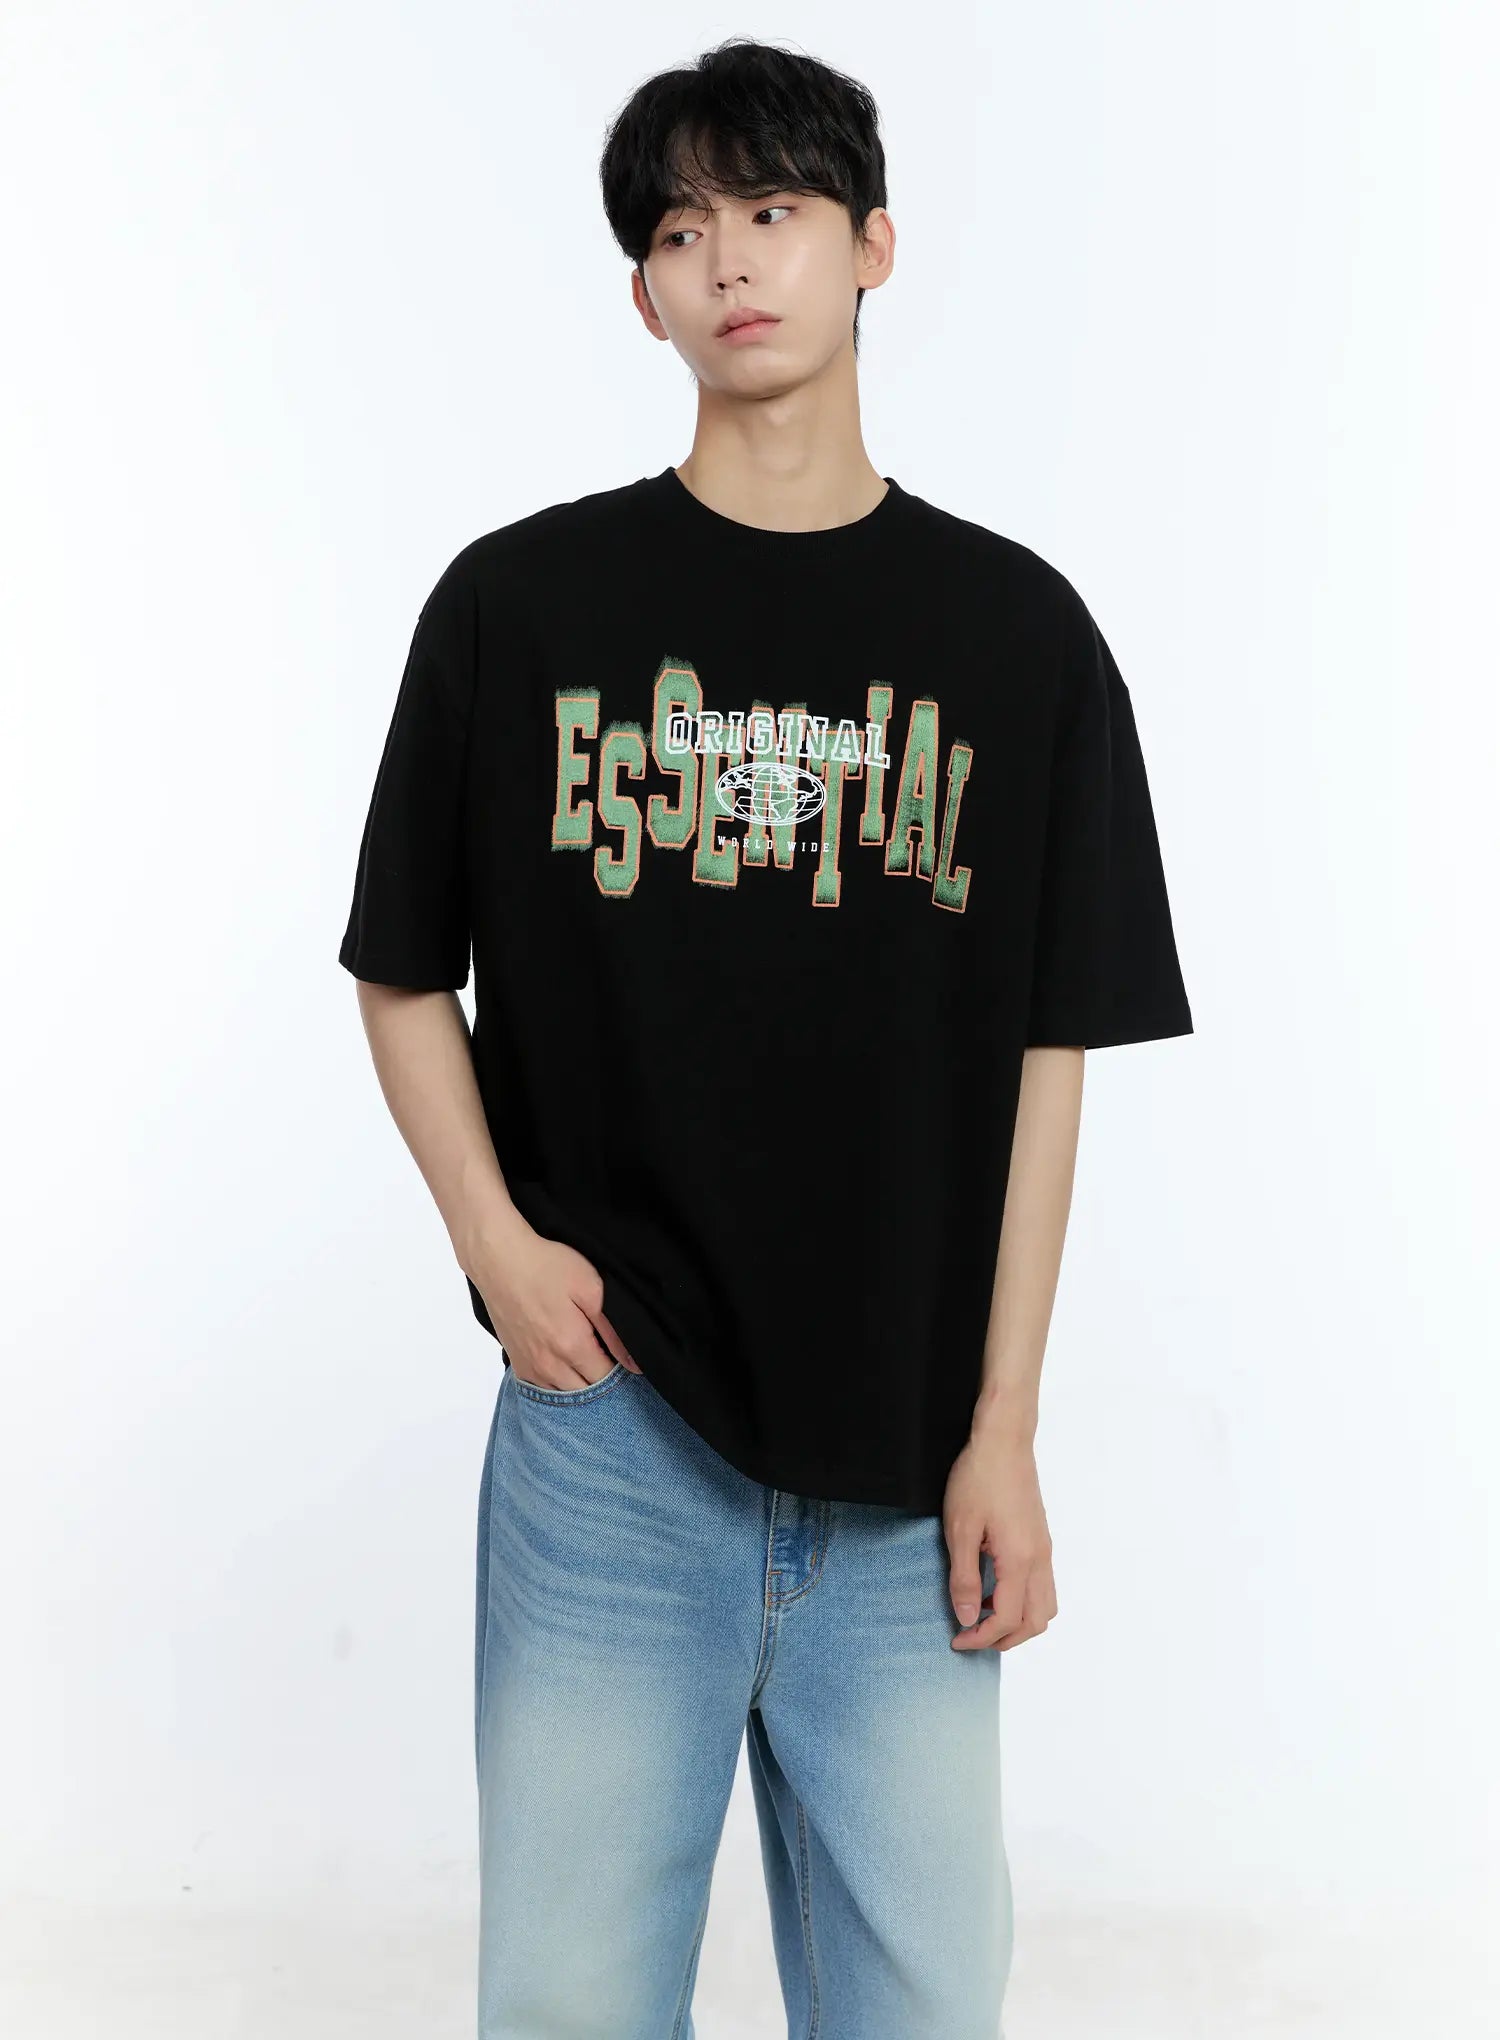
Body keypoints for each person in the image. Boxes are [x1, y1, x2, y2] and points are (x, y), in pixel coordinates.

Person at [336, 35, 1193, 2040]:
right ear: (642, 291)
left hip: (906, 1471)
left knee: (923, 2008)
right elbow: (399, 968)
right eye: (679, 228)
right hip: (612, 1447)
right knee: (568, 2007)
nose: (729, 258)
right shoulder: (522, 608)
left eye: (776, 210)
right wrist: (494, 1246)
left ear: (874, 244)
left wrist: (1004, 1427)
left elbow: (1049, 1057)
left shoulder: (1017, 639)